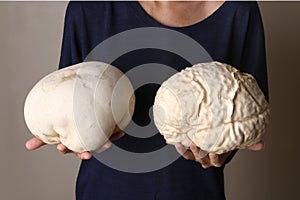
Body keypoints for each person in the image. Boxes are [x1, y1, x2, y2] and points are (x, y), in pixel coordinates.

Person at [26, 1, 268, 199]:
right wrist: (72, 135)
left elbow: (250, 112)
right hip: (104, 191)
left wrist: (222, 149)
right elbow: (64, 97)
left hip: (194, 192)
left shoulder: (239, 10)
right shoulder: (88, 7)